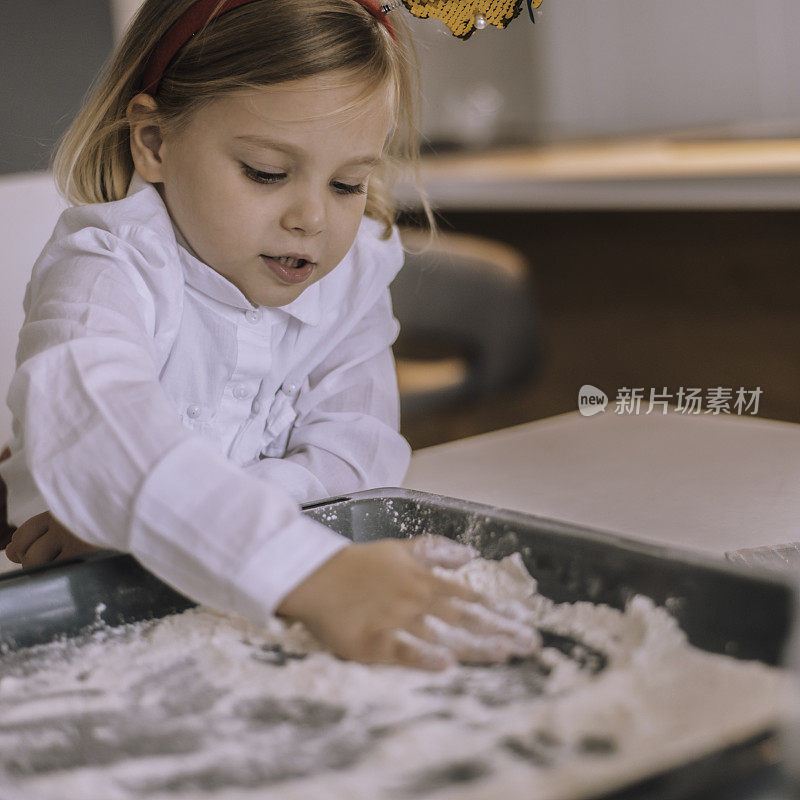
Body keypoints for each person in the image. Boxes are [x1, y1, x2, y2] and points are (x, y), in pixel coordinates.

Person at [0, 0, 540, 670]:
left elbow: (359, 460)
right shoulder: (107, 267)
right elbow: (99, 431)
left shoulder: (350, 280)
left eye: (348, 183)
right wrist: (308, 573)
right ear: (154, 142)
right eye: (265, 172)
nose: (313, 217)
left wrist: (143, 523)